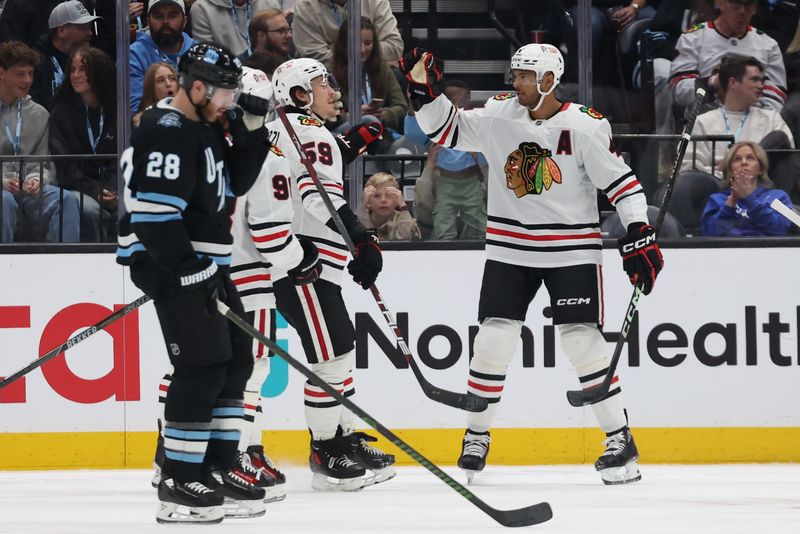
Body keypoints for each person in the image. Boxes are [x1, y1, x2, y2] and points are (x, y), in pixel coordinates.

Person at [400, 44, 663, 485]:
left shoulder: (584, 125)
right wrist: (427, 94)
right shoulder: (500, 115)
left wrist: (639, 230)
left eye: (524, 75)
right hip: (510, 247)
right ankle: (477, 435)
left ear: (548, 80)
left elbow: (623, 184)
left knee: (582, 341)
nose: (515, 82)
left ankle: (620, 439)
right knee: (493, 339)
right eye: (515, 74)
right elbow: (447, 131)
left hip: (571, 249)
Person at [116, 41, 271, 524]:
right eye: (225, 93)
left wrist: (250, 131)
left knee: (235, 360)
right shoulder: (166, 130)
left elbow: (235, 186)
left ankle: (216, 467)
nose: (230, 101)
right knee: (201, 367)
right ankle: (180, 478)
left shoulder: (203, 128)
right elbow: (155, 217)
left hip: (206, 263)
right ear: (197, 87)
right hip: (175, 263)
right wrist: (186, 269)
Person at [265, 57, 395, 491]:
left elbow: (310, 168)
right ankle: (326, 450)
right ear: (299, 95)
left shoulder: (285, 128)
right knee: (332, 355)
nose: (335, 92)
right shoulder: (309, 130)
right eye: (324, 85)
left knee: (338, 351)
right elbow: (316, 194)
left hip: (300, 260)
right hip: (305, 265)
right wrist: (363, 238)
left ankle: (343, 438)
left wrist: (346, 145)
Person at [0, 40, 79, 243]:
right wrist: (4, 182)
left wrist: (37, 179)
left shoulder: (39, 113)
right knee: (4, 200)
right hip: (3, 189)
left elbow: (43, 160)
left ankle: (66, 267)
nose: (27, 80)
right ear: (2, 73)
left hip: (28, 189)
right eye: (20, 74)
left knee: (66, 200)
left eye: (31, 74)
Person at [681, 55, 794, 177]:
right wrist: (726, 174)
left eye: (762, 81)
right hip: (715, 190)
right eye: (754, 80)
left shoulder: (772, 119)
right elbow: (688, 169)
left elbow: (788, 162)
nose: (761, 86)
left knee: (778, 138)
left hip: (761, 189)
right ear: (733, 82)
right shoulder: (702, 122)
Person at [404, 79, 488, 240]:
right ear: (441, 101)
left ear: (469, 100)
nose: (456, 104)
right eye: (451, 100)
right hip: (444, 183)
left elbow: (488, 158)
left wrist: (478, 154)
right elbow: (412, 132)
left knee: (479, 225)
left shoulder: (476, 125)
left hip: (472, 182)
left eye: (462, 100)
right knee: (444, 223)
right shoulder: (435, 127)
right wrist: (414, 102)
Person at [48, 46, 117, 242]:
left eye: (83, 69)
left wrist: (114, 189)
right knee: (89, 210)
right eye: (73, 70)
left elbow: (123, 158)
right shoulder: (61, 113)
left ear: (99, 73)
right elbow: (65, 165)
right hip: (76, 189)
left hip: (113, 190)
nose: (76, 75)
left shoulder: (116, 110)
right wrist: (95, 191)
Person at [669, 0, 786, 114]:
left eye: (748, 4)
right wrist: (710, 84)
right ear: (720, 3)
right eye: (736, 3)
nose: (742, 11)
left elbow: (774, 98)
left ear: (755, 8)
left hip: (754, 122)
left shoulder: (769, 45)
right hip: (705, 121)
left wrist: (759, 122)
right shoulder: (693, 38)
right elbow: (678, 92)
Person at [329, 16, 407, 134]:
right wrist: (352, 116)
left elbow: (401, 106)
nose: (362, 49)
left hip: (381, 132)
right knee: (369, 120)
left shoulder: (383, 69)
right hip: (346, 134)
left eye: (368, 43)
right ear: (344, 43)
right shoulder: (329, 72)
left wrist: (383, 114)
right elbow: (326, 116)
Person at [700, 141, 794, 236]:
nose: (744, 162)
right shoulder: (717, 199)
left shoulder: (779, 197)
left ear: (760, 168)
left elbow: (781, 230)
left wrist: (750, 198)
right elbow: (709, 234)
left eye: (750, 158)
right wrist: (730, 204)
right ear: (730, 170)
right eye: (737, 159)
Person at [30, 0, 99, 111]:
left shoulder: (92, 61)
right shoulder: (35, 62)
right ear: (61, 30)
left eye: (89, 27)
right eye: (82, 27)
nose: (90, 33)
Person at [129, 0, 196, 113]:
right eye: (158, 16)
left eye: (172, 15)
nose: (165, 22)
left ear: (184, 21)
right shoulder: (134, 55)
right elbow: (136, 112)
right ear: (148, 21)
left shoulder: (197, 52)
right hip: (151, 128)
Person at [292, 0, 403, 66]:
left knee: (397, 77)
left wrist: (333, 48)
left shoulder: (376, 2)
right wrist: (370, 52)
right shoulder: (305, 7)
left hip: (374, 74)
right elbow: (315, 58)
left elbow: (394, 47)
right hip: (325, 77)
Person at [190, 0, 277, 61]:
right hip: (228, 76)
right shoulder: (201, 8)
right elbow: (208, 56)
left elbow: (278, 47)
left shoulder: (269, 2)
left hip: (269, 69)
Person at [360, 171, 420, 240]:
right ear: (368, 202)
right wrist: (363, 207)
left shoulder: (402, 219)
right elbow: (361, 237)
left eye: (389, 195)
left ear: (397, 199)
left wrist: (402, 205)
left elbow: (407, 237)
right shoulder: (361, 218)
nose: (383, 200)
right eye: (376, 196)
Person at [132, 62, 180, 127]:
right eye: (161, 80)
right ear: (150, 88)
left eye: (172, 78)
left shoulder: (189, 115)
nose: (169, 84)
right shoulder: (141, 121)